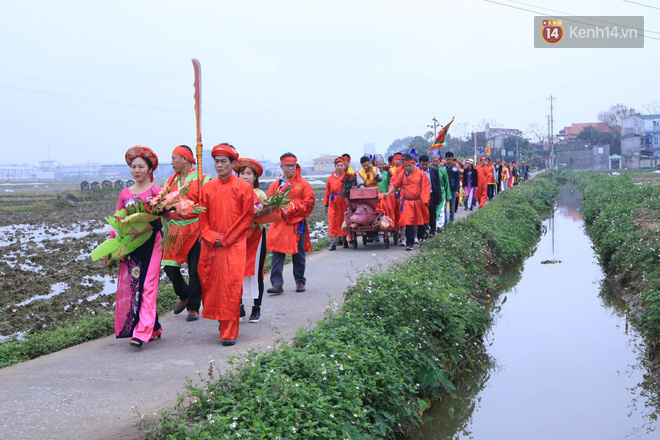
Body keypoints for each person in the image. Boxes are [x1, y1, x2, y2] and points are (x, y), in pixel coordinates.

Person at [198, 143, 254, 346]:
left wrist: (227, 238)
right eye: (216, 161)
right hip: (211, 244)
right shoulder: (207, 188)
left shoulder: (243, 187)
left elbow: (246, 217)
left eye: (223, 161)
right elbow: (202, 217)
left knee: (231, 286)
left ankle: (230, 330)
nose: (219, 165)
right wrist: (212, 237)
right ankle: (222, 322)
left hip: (234, 244)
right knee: (212, 283)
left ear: (233, 164)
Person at [107, 146, 163, 348]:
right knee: (135, 287)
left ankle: (141, 331)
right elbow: (117, 220)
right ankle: (153, 326)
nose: (136, 170)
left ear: (150, 169)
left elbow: (164, 217)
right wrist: (113, 248)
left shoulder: (157, 192)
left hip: (152, 244)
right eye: (133, 166)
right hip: (132, 246)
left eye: (141, 166)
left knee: (148, 286)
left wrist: (146, 227)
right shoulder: (125, 193)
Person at [162, 145, 210, 322]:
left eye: (175, 158)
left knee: (195, 269)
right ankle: (184, 294)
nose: (172, 162)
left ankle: (193, 307)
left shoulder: (202, 179)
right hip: (176, 227)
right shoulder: (170, 181)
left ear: (185, 159)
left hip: (195, 227)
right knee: (169, 265)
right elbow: (162, 200)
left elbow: (208, 205)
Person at [266, 153, 315, 294]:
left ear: (296, 165)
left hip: (296, 224)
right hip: (279, 223)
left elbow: (309, 203)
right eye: (287, 165)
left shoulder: (303, 185)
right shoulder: (275, 185)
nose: (290, 168)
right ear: (281, 167)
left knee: (298, 253)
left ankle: (300, 281)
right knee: (277, 253)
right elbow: (268, 202)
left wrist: (292, 207)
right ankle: (276, 284)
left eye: (292, 165)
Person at [234, 157, 268, 323]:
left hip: (256, 237)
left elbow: (266, 216)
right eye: (242, 173)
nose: (245, 176)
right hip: (237, 238)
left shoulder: (260, 194)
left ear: (255, 177)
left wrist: (254, 222)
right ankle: (238, 307)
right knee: (236, 272)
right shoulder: (234, 192)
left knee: (256, 272)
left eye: (249, 173)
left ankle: (256, 307)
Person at [383, 153, 430, 251]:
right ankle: (409, 244)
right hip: (408, 202)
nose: (407, 168)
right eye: (406, 166)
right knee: (409, 223)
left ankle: (422, 241)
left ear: (413, 164)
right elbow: (395, 185)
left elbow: (426, 187)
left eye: (409, 165)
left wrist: (425, 200)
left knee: (420, 224)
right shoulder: (403, 174)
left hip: (418, 202)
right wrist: (388, 193)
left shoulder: (420, 174)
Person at [324, 157, 349, 250]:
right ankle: (332, 243)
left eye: (341, 165)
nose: (340, 167)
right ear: (335, 166)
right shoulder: (330, 179)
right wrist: (325, 205)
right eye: (338, 165)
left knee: (344, 220)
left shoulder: (347, 177)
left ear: (344, 166)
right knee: (332, 222)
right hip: (333, 202)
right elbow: (327, 192)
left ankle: (344, 240)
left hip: (343, 202)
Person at [418, 154, 441, 238]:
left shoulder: (434, 170)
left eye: (426, 164)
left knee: (432, 214)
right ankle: (423, 232)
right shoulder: (417, 171)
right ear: (419, 163)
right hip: (421, 196)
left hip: (432, 195)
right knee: (422, 214)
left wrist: (439, 197)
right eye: (422, 164)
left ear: (429, 163)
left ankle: (432, 231)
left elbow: (437, 184)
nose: (424, 166)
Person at [430, 153, 451, 231]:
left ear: (439, 162)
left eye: (436, 161)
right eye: (433, 161)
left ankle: (440, 226)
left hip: (441, 193)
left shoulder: (443, 171)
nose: (435, 162)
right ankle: (433, 226)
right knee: (433, 210)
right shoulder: (429, 170)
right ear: (431, 162)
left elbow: (446, 184)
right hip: (432, 193)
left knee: (441, 210)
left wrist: (448, 196)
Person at [444, 151, 460, 223]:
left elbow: (457, 180)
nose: (449, 161)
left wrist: (457, 190)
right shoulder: (443, 168)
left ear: (452, 159)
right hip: (444, 190)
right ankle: (444, 221)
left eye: (450, 159)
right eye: (447, 159)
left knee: (452, 207)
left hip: (453, 190)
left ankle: (451, 221)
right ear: (445, 159)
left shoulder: (456, 169)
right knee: (443, 207)